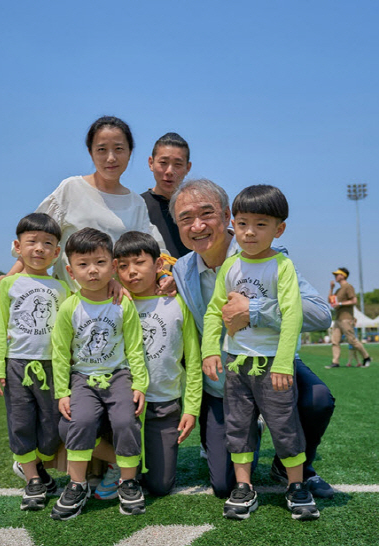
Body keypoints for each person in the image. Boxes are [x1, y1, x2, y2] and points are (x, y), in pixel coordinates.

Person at [169, 178, 336, 501]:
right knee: (223, 485)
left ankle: (292, 467)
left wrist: (255, 309)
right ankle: (250, 428)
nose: (197, 225)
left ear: (226, 215)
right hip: (225, 377)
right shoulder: (181, 270)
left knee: (317, 398)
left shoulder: (269, 254)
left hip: (274, 361)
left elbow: (320, 315)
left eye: (207, 214)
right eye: (186, 219)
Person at [201, 184, 320, 521]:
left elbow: (293, 314)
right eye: (242, 223)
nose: (249, 232)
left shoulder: (282, 266)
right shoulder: (230, 266)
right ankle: (243, 487)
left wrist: (283, 363)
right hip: (236, 366)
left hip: (272, 367)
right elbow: (214, 312)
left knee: (285, 426)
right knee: (238, 426)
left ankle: (296, 486)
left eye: (260, 224)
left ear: (279, 229)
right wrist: (211, 350)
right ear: (233, 225)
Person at [50, 228, 149, 521]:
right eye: (83, 264)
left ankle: (129, 483)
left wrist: (140, 384)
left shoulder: (123, 303)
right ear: (70, 270)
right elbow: (59, 352)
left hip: (118, 375)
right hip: (82, 378)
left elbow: (135, 347)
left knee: (125, 420)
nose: (92, 270)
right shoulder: (70, 307)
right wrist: (62, 392)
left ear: (112, 266)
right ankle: (77, 485)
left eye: (100, 262)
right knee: (80, 421)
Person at [6, 116, 166, 290]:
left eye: (119, 149)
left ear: (130, 152)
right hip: (69, 303)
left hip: (115, 308)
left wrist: (164, 278)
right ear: (91, 153)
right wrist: (9, 279)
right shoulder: (71, 188)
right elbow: (37, 238)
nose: (111, 158)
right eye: (102, 149)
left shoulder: (136, 203)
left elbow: (151, 253)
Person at [0, 213, 70, 511]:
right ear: (17, 247)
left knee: (52, 429)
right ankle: (33, 480)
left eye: (47, 243)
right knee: (21, 424)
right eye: (31, 242)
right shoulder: (9, 285)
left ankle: (36, 466)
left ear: (57, 252)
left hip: (53, 369)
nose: (39, 249)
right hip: (17, 366)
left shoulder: (63, 288)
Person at [113, 231, 201, 497]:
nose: (132, 272)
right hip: (119, 404)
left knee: (160, 486)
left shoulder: (177, 303)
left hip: (164, 404)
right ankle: (105, 463)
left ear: (158, 265)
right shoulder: (112, 302)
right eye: (123, 266)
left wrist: (192, 409)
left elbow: (193, 360)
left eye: (139, 262)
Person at [141, 132, 192, 259]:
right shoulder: (138, 205)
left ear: (188, 167)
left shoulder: (195, 208)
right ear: (151, 163)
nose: (169, 171)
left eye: (178, 164)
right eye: (163, 163)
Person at [327, 267, 371, 368]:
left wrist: (341, 303)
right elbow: (330, 301)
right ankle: (335, 362)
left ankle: (366, 357)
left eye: (337, 274)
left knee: (352, 340)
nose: (335, 276)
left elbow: (354, 301)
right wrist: (331, 288)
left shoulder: (348, 287)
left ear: (343, 275)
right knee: (335, 341)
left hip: (346, 318)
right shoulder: (338, 290)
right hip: (338, 318)